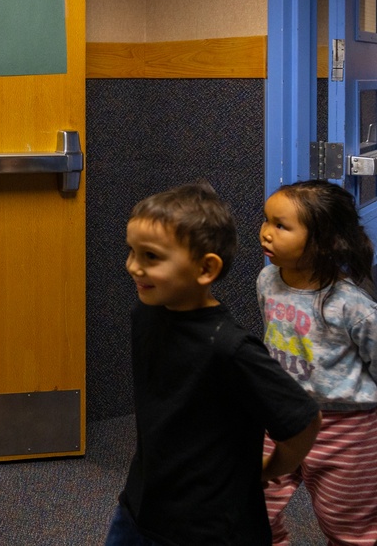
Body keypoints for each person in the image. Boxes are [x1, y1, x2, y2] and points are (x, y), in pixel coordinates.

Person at [106, 182, 321, 545]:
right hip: (139, 509)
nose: (133, 267)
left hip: (211, 528)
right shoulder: (145, 313)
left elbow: (303, 420)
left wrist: (268, 470)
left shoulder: (232, 348)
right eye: (131, 252)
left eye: (151, 257)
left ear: (206, 269)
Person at [258, 180, 377, 544]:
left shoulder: (352, 305)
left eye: (281, 226)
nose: (266, 233)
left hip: (345, 429)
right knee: (252, 502)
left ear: (323, 241)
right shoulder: (266, 280)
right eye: (266, 221)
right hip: (279, 415)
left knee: (346, 524)